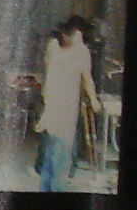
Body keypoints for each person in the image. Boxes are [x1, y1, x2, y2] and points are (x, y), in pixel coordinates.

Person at [37, 16, 97, 191]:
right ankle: (52, 189)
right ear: (65, 35)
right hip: (52, 105)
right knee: (52, 152)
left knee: (60, 151)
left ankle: (54, 188)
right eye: (75, 36)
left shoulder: (81, 51)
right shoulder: (53, 47)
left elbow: (87, 78)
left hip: (67, 108)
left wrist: (93, 98)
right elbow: (50, 73)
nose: (79, 39)